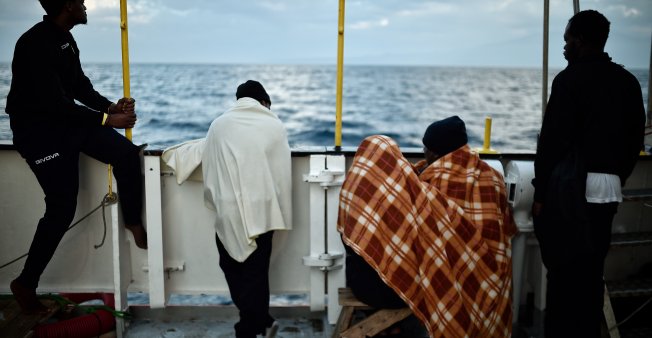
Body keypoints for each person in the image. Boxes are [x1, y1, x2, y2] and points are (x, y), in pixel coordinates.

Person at [5, 0, 148, 314]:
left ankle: (133, 221)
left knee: (125, 154)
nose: (85, 5)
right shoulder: (33, 43)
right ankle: (25, 283)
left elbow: (77, 86)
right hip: (39, 133)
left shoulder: (65, 39)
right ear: (68, 6)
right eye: (80, 2)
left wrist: (109, 106)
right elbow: (53, 102)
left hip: (67, 123)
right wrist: (105, 121)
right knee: (62, 205)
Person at [338, 116, 517, 337]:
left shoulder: (430, 184)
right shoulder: (493, 176)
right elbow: (506, 226)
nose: (423, 153)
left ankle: (392, 329)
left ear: (435, 152)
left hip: (445, 281)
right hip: (493, 279)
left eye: (426, 148)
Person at [532, 10, 645, 337]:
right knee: (591, 271)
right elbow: (634, 139)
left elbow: (552, 142)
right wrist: (617, 177)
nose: (564, 46)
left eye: (567, 39)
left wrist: (540, 193)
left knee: (563, 271)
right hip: (608, 187)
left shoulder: (569, 80)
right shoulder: (627, 81)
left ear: (580, 41)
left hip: (570, 190)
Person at [202, 80, 292, 338]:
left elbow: (210, 163)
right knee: (256, 273)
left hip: (228, 210)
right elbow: (280, 170)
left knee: (232, 268)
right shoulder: (273, 124)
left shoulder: (219, 125)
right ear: (264, 101)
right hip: (263, 211)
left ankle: (249, 327)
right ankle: (258, 321)